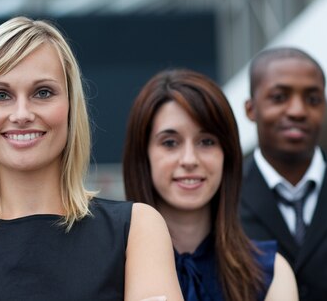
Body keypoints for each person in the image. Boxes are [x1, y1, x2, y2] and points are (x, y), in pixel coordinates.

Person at [0, 16, 183, 301]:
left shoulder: (136, 229)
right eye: (0, 95)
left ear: (71, 107)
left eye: (43, 92)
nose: (21, 114)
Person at [123, 69, 298, 301]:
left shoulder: (271, 272)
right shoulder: (109, 267)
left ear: (227, 154)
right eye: (170, 142)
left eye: (206, 142)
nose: (189, 160)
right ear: (143, 155)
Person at [240, 47, 327, 301]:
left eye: (312, 99)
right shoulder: (223, 200)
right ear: (251, 109)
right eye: (280, 97)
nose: (298, 111)